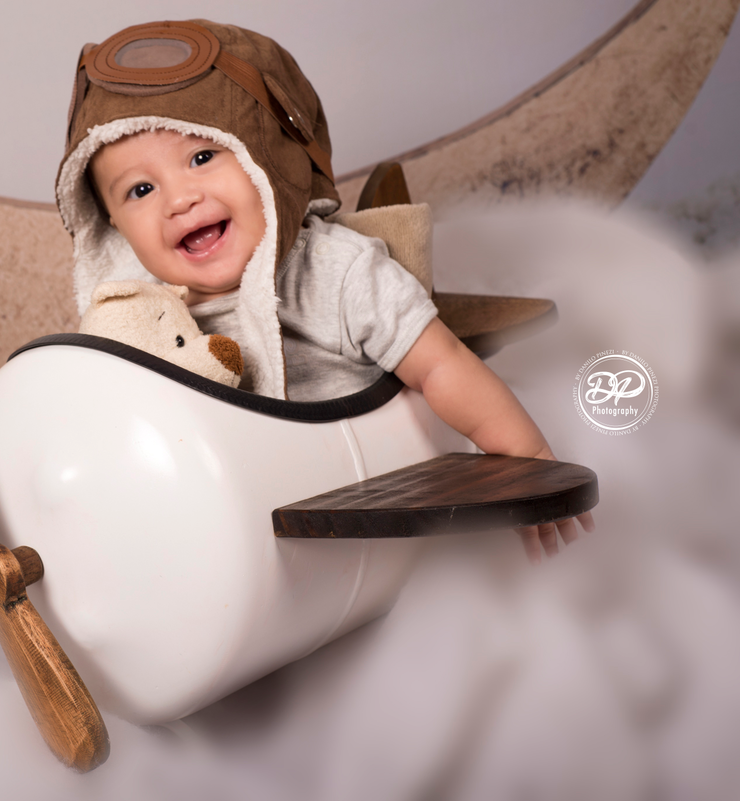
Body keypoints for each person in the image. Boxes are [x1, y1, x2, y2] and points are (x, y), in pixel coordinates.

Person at [56, 20, 592, 562]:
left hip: (361, 509)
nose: (179, 199)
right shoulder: (143, 319)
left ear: (268, 158)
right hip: (226, 530)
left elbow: (440, 365)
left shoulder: (331, 273)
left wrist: (526, 458)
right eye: (141, 190)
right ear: (113, 227)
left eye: (202, 158)